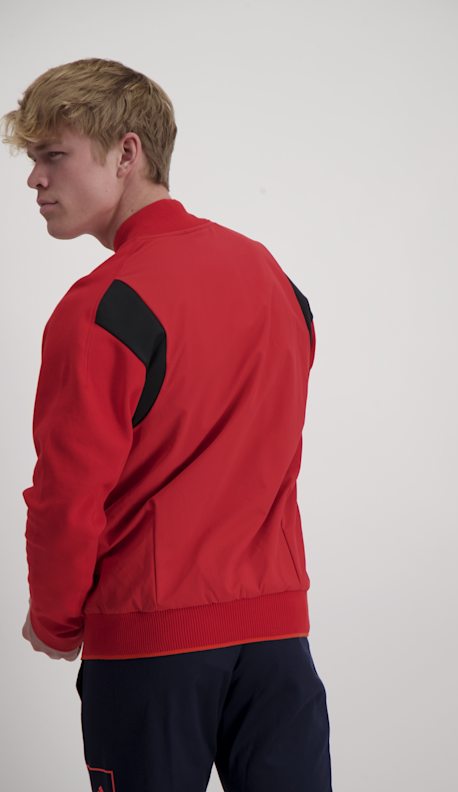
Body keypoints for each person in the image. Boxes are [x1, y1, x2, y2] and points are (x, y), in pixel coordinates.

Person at [2, 57, 333, 791]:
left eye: (52, 155)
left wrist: (55, 620)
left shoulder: (102, 305)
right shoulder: (272, 278)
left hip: (152, 647)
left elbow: (67, 497)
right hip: (279, 643)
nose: (34, 180)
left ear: (127, 153)